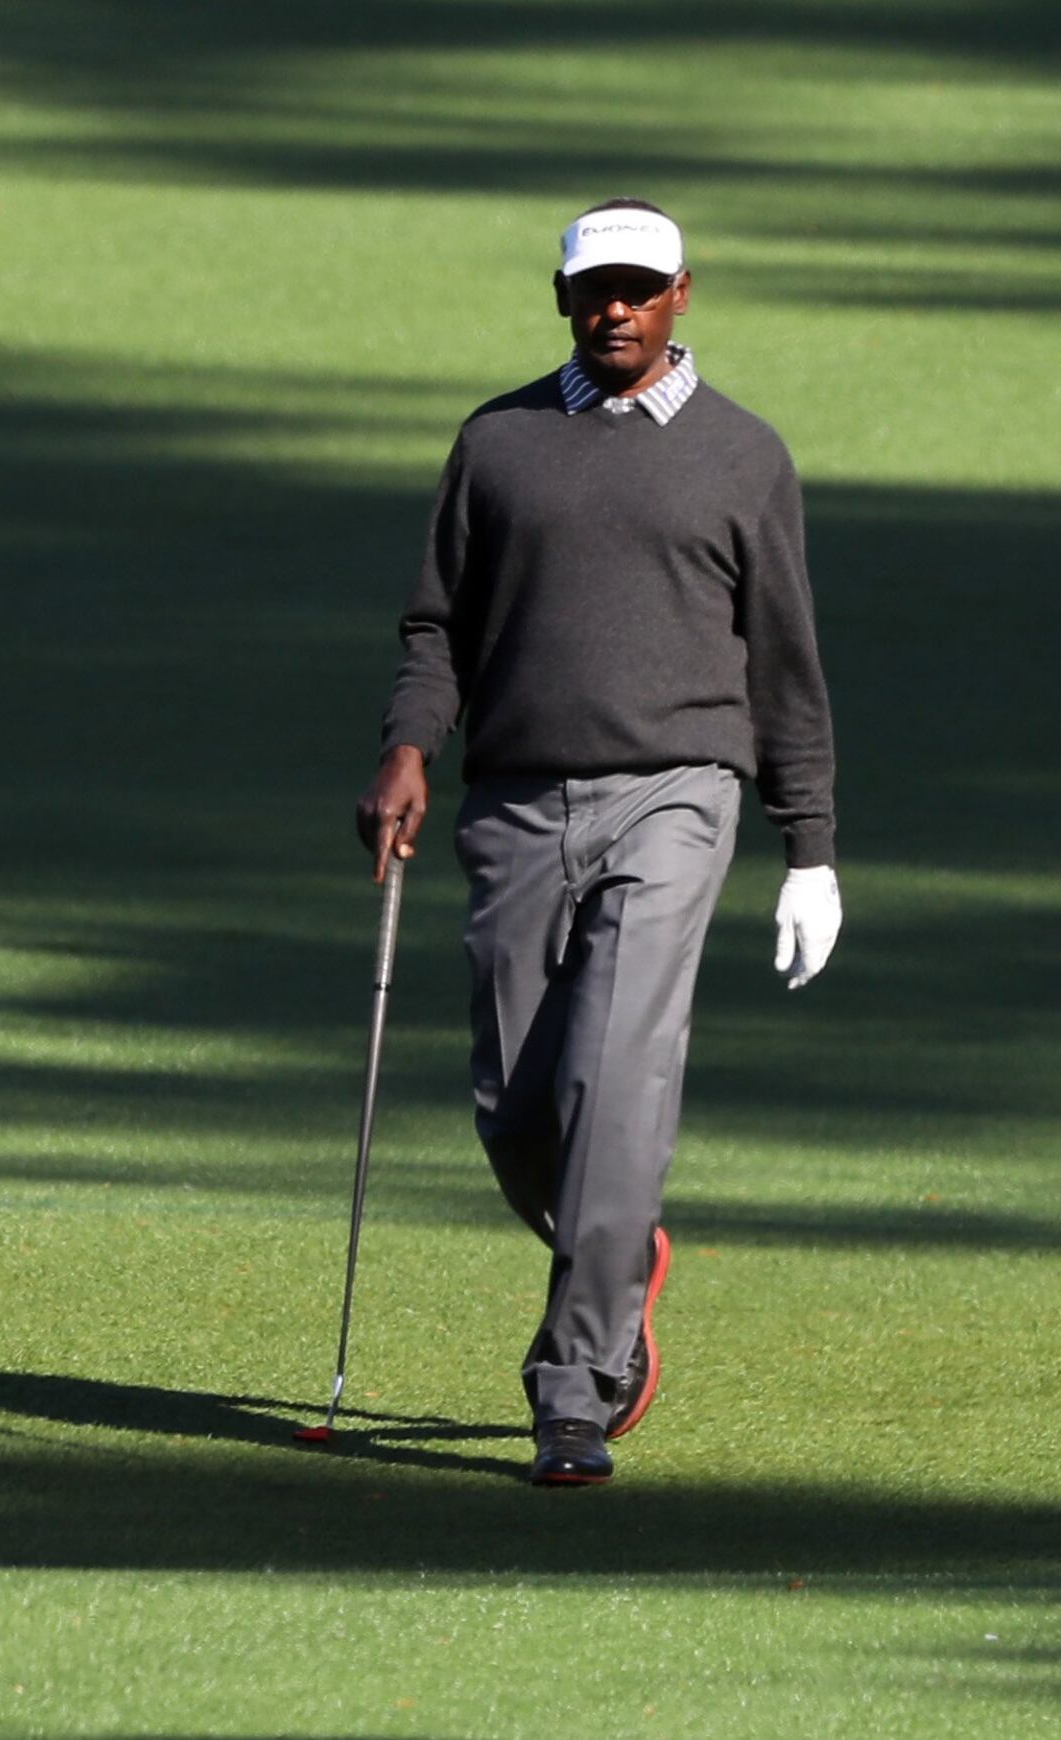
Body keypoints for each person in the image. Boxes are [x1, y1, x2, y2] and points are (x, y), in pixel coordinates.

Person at [354, 199, 842, 1487]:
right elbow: (436, 630)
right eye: (593, 291)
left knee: (614, 1081)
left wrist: (811, 847)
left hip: (675, 796)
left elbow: (785, 661)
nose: (614, 309)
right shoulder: (499, 442)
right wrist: (411, 746)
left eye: (639, 288)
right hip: (512, 805)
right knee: (512, 1106)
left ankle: (575, 1385)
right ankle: (620, 1246)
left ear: (685, 293)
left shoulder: (742, 457)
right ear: (561, 298)